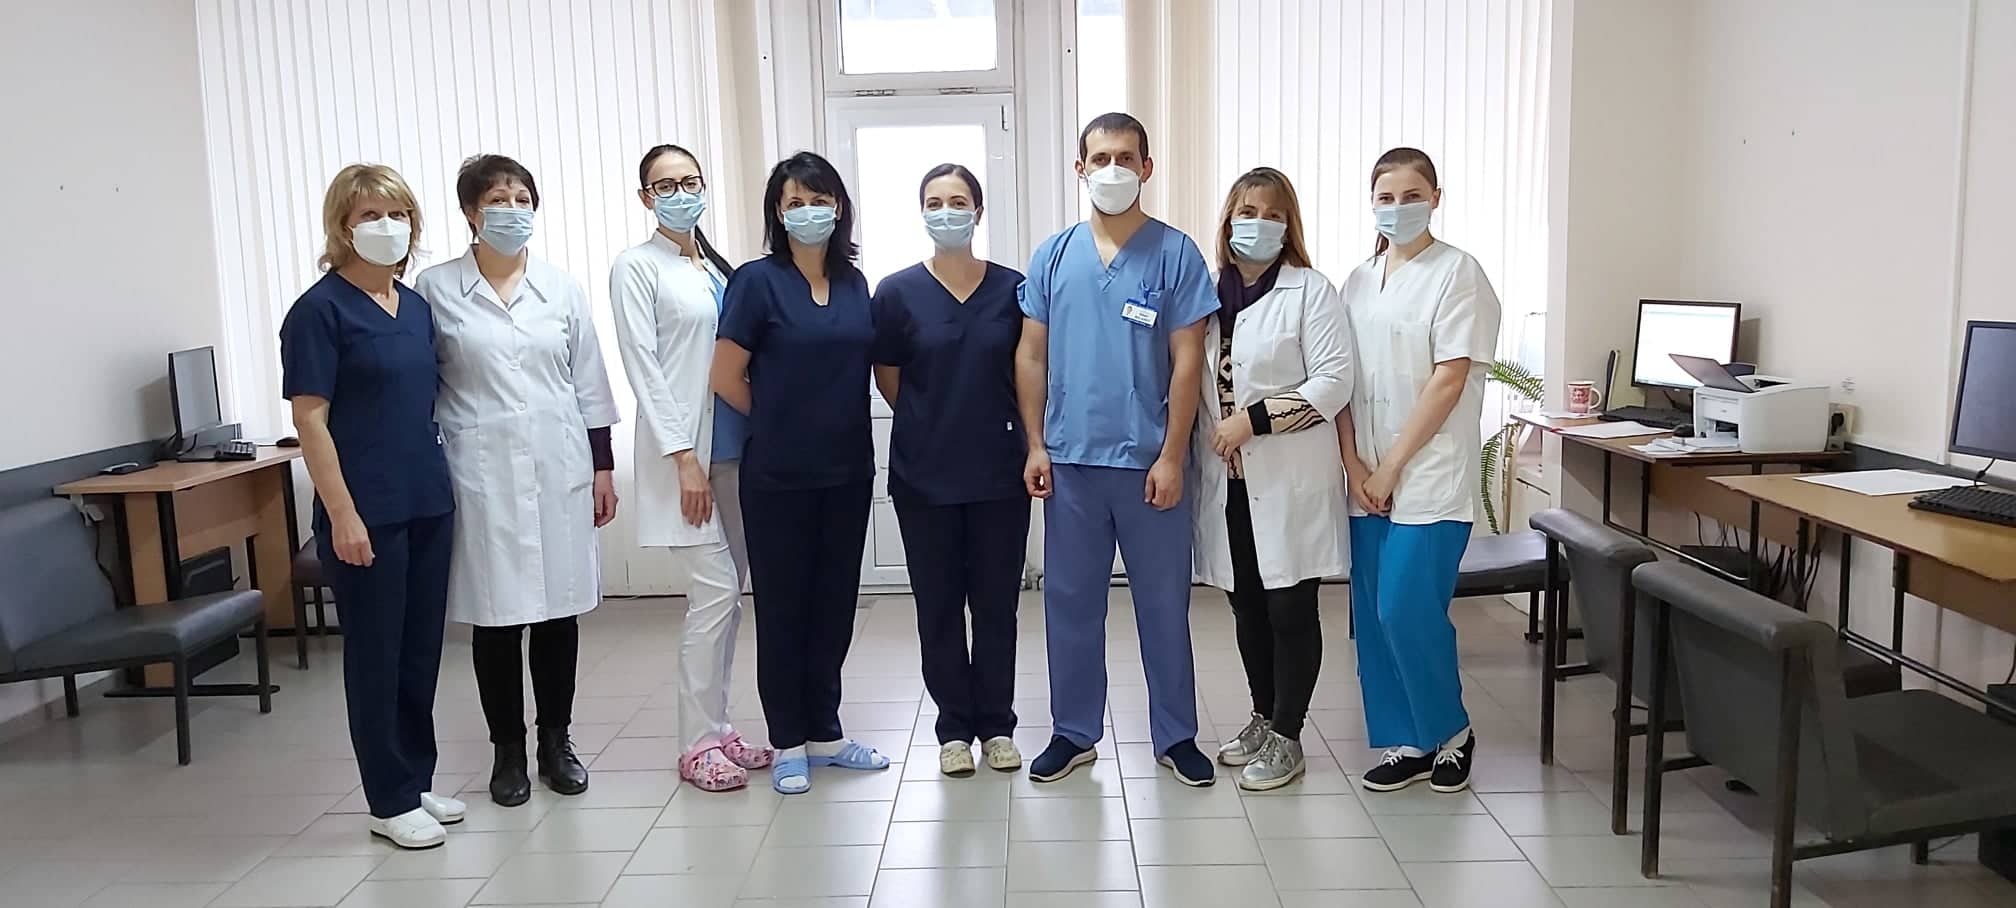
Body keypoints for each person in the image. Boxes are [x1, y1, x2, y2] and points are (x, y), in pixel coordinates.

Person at [1015, 113, 1219, 786]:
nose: (1112, 169)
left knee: (1163, 606)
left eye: (1125, 157)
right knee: (1070, 604)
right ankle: (1073, 732)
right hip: (1071, 462)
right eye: (1099, 158)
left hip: (1148, 465)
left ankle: (1176, 735)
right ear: (1080, 169)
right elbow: (1031, 354)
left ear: (1146, 168)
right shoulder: (1054, 256)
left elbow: (1186, 362)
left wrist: (1172, 454)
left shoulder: (1176, 254)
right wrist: (1036, 444)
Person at [412, 155, 620, 808]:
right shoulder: (435, 288)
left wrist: (603, 466)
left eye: (522, 197)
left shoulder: (561, 288)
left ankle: (557, 742)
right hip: (479, 475)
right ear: (470, 213)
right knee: (496, 618)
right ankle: (507, 752)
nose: (511, 209)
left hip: (560, 468)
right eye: (496, 199)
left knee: (558, 613)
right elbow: (420, 383)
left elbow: (590, 382)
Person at [711, 151, 908, 795]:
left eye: (818, 200)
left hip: (846, 470)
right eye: (794, 202)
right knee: (784, 607)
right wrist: (777, 418)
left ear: (839, 207)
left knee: (834, 605)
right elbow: (725, 376)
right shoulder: (755, 282)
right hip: (777, 476)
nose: (808, 212)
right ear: (777, 212)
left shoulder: (854, 282)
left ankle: (825, 731)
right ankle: (788, 739)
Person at [280, 164, 461, 849]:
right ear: (342, 227)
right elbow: (311, 421)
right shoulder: (319, 312)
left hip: (426, 499)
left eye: (398, 214)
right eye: (369, 216)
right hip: (366, 511)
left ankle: (415, 779)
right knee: (377, 655)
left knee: (419, 651)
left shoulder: (413, 307)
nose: (387, 227)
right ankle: (387, 799)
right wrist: (343, 515)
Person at [1335, 147, 1502, 794]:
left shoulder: (1459, 273)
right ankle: (1410, 738)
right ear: (1371, 203)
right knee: (1375, 619)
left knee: (1407, 607)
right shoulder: (1357, 280)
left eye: (1411, 196)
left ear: (1436, 198)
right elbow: (1340, 378)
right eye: (1386, 197)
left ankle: (1451, 731)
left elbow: (1448, 379)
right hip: (1366, 475)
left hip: (1429, 472)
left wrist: (1391, 468)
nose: (1397, 208)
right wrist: (1354, 463)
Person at [608, 144, 773, 792]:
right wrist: (683, 460)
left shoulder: (714, 266)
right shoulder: (637, 267)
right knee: (713, 594)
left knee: (728, 601)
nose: (681, 194)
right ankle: (695, 743)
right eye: (666, 185)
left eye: (691, 181)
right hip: (690, 460)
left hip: (735, 452)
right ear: (645, 197)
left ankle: (720, 728)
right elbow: (643, 368)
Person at [1189, 167, 1355, 791]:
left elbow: (1334, 382)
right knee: (1246, 604)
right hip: (1227, 480)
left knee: (1289, 605)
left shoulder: (1311, 291)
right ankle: (1262, 716)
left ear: (1289, 226)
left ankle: (1289, 734)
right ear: (1228, 220)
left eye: (1271, 214)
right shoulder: (1208, 294)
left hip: (1289, 477)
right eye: (1246, 212)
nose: (1257, 223)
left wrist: (1253, 421)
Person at [870, 164, 1029, 778]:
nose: (946, 212)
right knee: (937, 608)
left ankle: (997, 725)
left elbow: (1028, 373)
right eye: (934, 202)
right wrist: (930, 421)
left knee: (995, 607)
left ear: (978, 212)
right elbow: (889, 378)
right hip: (925, 477)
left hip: (998, 475)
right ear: (922, 214)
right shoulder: (896, 293)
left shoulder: (1013, 289)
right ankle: (954, 729)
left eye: (958, 201)